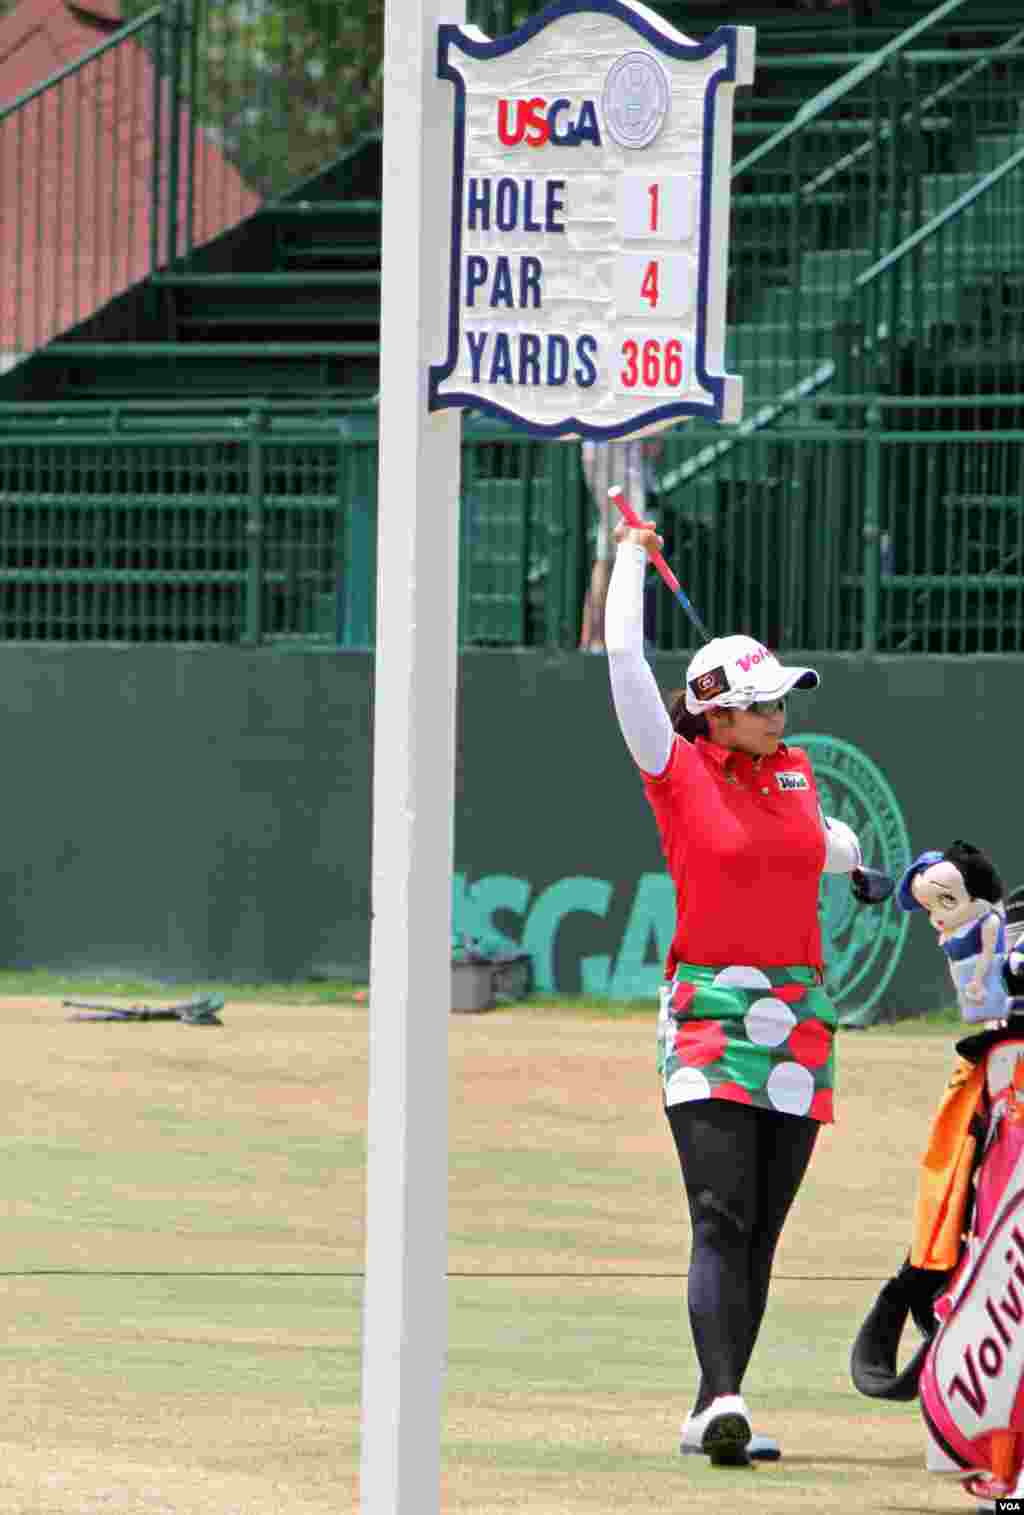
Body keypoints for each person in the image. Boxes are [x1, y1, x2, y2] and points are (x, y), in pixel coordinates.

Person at [604, 515, 889, 1467]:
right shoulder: (675, 769)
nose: (780, 714)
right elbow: (625, 662)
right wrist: (631, 562)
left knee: (761, 1228)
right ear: (716, 713)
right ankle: (725, 1393)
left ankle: (711, 1407)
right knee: (720, 1213)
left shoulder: (796, 774)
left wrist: (860, 868)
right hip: (711, 1016)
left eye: (781, 699)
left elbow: (825, 838)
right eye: (762, 703)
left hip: (801, 1020)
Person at [578, 439, 661, 652]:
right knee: (626, 550)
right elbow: (652, 446)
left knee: (608, 552)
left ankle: (595, 639)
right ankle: (606, 639)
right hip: (616, 455)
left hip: (605, 452)